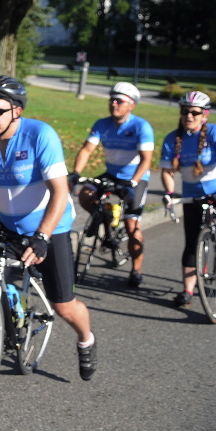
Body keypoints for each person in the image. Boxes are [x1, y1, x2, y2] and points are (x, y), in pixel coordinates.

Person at [0, 76, 98, 381]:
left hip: (51, 227)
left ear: (17, 110)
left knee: (64, 306)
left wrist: (42, 236)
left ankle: (86, 339)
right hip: (7, 227)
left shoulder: (40, 135)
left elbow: (60, 192)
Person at [160, 91, 216, 307]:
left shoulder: (215, 133)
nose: (189, 116)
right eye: (185, 112)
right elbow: (167, 171)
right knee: (191, 243)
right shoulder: (173, 139)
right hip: (193, 195)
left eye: (194, 112)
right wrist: (170, 194)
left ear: (204, 115)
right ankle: (187, 290)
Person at [68, 82, 154, 287]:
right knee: (86, 194)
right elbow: (87, 150)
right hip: (112, 173)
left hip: (135, 177)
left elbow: (146, 159)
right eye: (111, 100)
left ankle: (136, 270)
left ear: (131, 105)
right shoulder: (102, 124)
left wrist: (132, 183)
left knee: (133, 225)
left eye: (119, 101)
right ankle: (104, 217)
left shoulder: (141, 126)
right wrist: (76, 174)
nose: (114, 104)